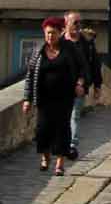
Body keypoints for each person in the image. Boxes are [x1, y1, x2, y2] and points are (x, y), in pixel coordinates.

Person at [23, 18, 85, 176]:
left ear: (60, 33)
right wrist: (27, 99)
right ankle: (45, 157)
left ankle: (60, 163)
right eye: (48, 33)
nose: (50, 36)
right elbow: (30, 76)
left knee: (62, 129)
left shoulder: (69, 49)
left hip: (64, 97)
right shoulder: (39, 51)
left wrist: (79, 83)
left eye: (54, 33)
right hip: (43, 97)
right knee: (43, 128)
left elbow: (81, 68)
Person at [62, 11, 102, 159]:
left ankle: (72, 146)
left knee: (74, 115)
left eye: (80, 23)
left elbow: (95, 65)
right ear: (66, 23)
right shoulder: (58, 41)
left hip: (80, 85)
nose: (78, 26)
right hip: (59, 86)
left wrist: (97, 85)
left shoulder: (86, 44)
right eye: (75, 23)